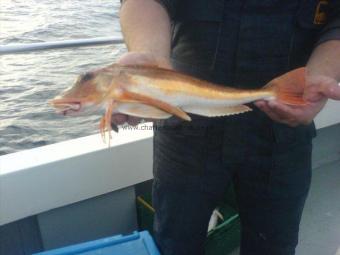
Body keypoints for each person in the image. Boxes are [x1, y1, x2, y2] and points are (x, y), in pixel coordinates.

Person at [116, 1, 340, 254]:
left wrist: (323, 71)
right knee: (175, 242)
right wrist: (150, 60)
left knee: (273, 244)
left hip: (283, 125)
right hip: (186, 119)